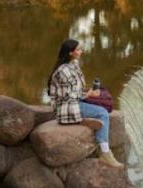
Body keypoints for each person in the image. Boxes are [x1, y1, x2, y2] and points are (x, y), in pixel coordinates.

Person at [48, 38, 123, 168]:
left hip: (74, 101)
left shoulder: (74, 64)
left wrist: (90, 91)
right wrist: (87, 94)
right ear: (70, 53)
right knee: (103, 113)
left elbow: (76, 88)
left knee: (103, 102)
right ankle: (105, 153)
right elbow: (66, 95)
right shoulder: (63, 71)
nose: (81, 51)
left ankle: (81, 118)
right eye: (78, 49)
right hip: (66, 106)